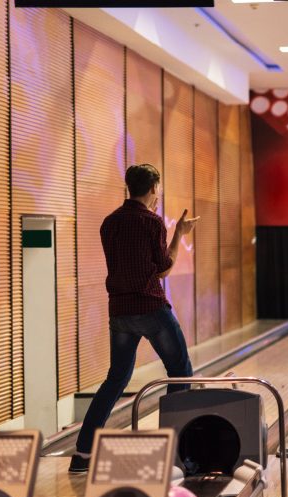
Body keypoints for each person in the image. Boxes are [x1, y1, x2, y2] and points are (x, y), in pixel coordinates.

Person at [69, 164, 199, 474]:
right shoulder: (152, 222)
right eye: (159, 189)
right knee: (180, 372)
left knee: (116, 378)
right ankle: (175, 453)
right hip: (151, 307)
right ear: (154, 188)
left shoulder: (109, 223)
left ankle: (82, 454)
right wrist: (179, 233)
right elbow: (163, 268)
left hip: (120, 312)